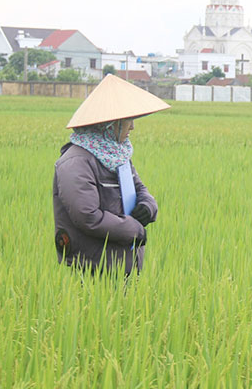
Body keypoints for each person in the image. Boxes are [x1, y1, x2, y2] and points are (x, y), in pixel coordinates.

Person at [53, 74, 170, 275]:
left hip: (123, 263)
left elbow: (139, 188)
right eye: (127, 120)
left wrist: (148, 207)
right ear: (109, 124)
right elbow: (88, 216)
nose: (132, 126)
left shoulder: (118, 155)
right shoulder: (76, 162)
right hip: (92, 268)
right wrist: (134, 230)